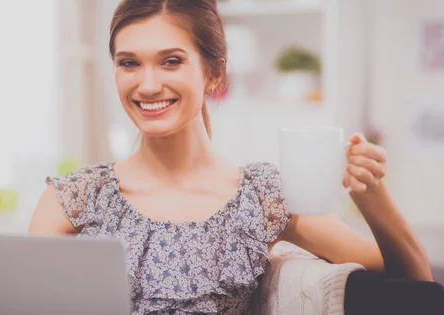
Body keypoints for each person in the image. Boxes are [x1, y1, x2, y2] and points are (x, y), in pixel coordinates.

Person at [29, 0, 433, 313]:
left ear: (214, 73)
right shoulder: (75, 199)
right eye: (129, 63)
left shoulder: (262, 196)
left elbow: (418, 289)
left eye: (171, 61)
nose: (147, 84)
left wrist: (371, 196)